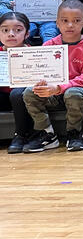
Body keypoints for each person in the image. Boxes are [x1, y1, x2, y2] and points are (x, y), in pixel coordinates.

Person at [19, 0, 83, 153]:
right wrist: (41, 84)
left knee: (73, 93)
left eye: (76, 21)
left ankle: (74, 133)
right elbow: (41, 73)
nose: (70, 25)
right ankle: (47, 133)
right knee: (30, 92)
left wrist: (58, 87)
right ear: (57, 23)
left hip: (82, 95)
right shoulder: (49, 45)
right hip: (54, 93)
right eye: (65, 21)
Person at [2, 12, 32, 152]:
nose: (11, 34)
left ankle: (21, 135)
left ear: (27, 33)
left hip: (24, 98)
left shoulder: (37, 54)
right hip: (3, 97)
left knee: (17, 94)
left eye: (18, 30)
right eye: (5, 30)